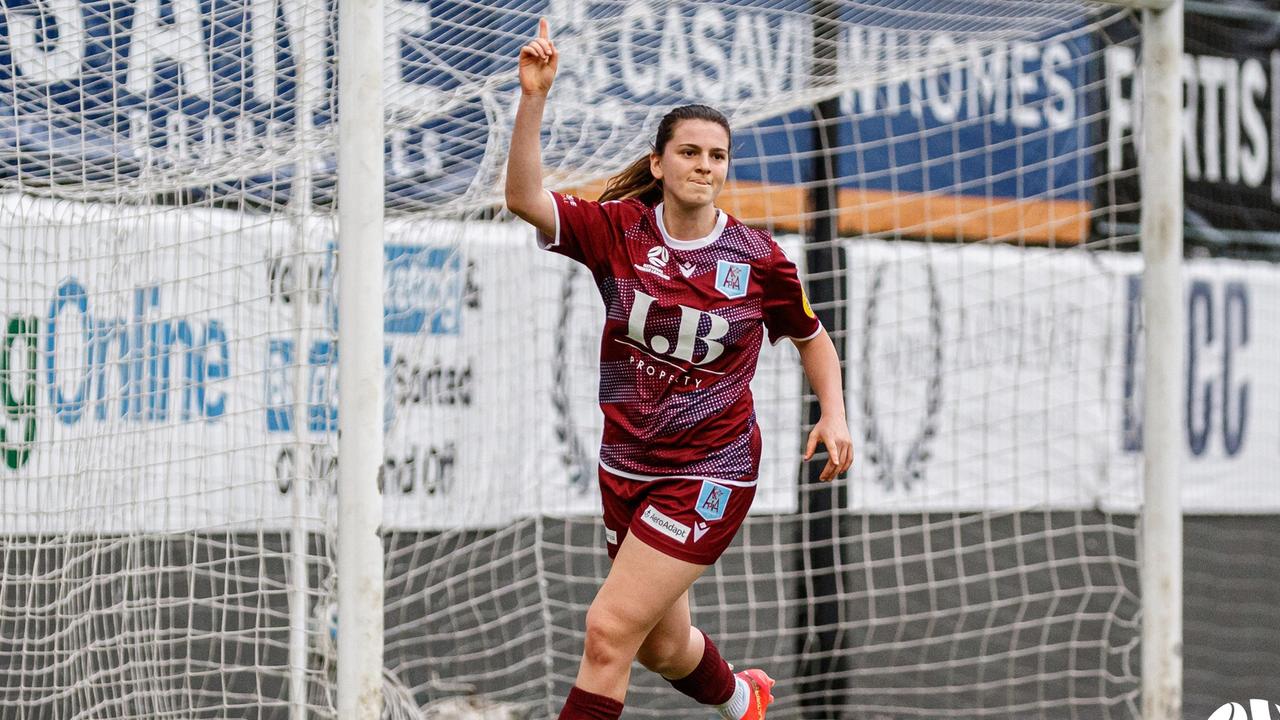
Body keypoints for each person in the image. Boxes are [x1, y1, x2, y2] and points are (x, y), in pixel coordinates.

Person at [505, 19, 854, 720]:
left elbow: (812, 338)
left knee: (606, 634)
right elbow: (523, 200)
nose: (704, 165)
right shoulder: (618, 233)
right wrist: (534, 98)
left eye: (717, 155)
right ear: (659, 164)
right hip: (627, 464)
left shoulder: (759, 259)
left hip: (710, 470)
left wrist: (835, 413)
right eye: (689, 152)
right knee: (662, 648)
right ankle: (744, 700)